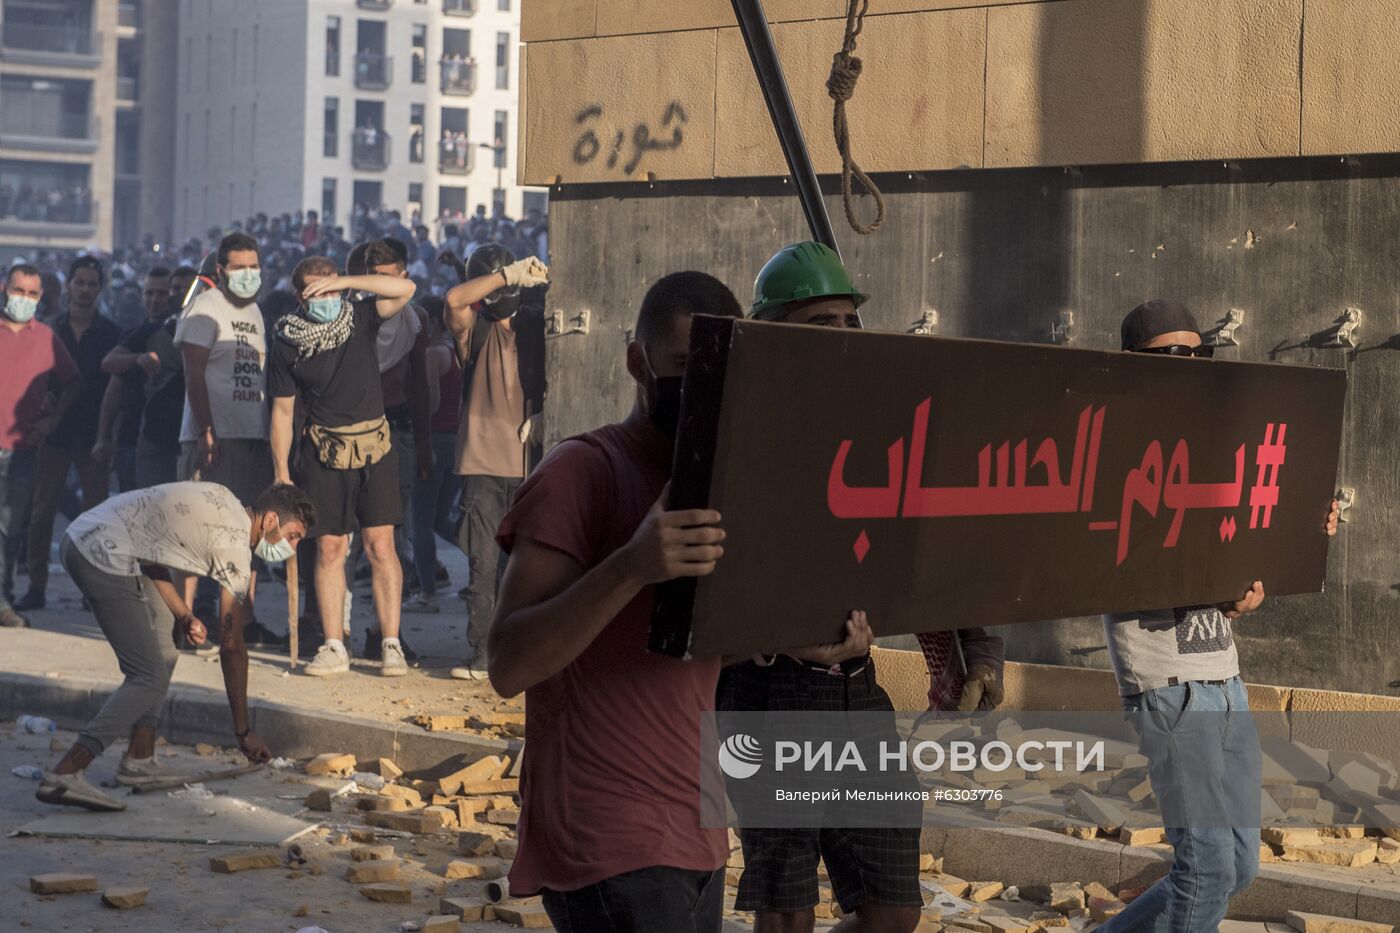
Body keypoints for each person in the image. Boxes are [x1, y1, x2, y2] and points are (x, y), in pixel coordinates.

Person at [1098, 299, 1342, 933]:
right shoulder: (1113, 442)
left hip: (1223, 681)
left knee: (1237, 867)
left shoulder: (1207, 441)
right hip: (1168, 687)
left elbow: (1242, 535)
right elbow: (1123, 556)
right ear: (1132, 362)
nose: (1188, 367)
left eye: (1196, 354)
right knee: (1204, 868)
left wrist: (1303, 530)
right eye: (1170, 355)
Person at [720, 242, 923, 933]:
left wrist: (968, 644)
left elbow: (925, 536)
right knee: (786, 911)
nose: (840, 338)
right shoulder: (739, 430)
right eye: (819, 324)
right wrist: (781, 636)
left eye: (848, 322)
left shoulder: (876, 425)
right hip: (769, 693)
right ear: (775, 332)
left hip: (856, 691)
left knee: (893, 907)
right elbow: (713, 572)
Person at [36, 482, 314, 812]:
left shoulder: (225, 499)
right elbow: (231, 646)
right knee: (148, 676)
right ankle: (67, 772)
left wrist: (182, 613)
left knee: (167, 644)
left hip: (89, 536)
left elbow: (152, 548)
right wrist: (243, 731)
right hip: (99, 553)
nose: (291, 548)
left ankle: (139, 758)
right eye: (293, 536)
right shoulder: (235, 548)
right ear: (270, 521)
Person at [268, 256, 417, 678]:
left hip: (375, 446)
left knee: (381, 547)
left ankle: (391, 642)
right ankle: (333, 644)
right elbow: (281, 412)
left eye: (332, 290)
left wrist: (347, 281)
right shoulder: (286, 340)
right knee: (330, 548)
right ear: (300, 296)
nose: (328, 299)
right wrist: (281, 471)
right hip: (323, 451)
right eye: (318, 292)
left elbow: (405, 291)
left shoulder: (360, 317)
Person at [440, 245, 548, 678]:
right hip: (482, 463)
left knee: (522, 569)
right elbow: (453, 300)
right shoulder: (474, 327)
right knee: (482, 566)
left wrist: (542, 279)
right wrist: (507, 274)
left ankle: (518, 651)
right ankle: (482, 653)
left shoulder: (535, 324)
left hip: (528, 462)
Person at [175, 233, 273, 636]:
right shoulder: (204, 308)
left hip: (251, 436)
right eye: (239, 267)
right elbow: (193, 374)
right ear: (221, 270)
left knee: (244, 538)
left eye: (253, 266)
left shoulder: (255, 313)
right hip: (212, 437)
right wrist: (205, 430)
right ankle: (184, 621)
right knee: (194, 535)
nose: (248, 274)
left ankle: (236, 624)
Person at [17, 256, 122, 612]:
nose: (86, 289)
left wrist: (109, 435)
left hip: (95, 432)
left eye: (92, 284)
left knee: (96, 517)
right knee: (42, 512)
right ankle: (35, 585)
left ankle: (92, 589)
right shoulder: (49, 328)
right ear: (69, 285)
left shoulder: (111, 332)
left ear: (99, 288)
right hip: (54, 432)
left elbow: (115, 386)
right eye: (81, 282)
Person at [359, 237, 431, 659]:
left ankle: (384, 630)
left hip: (396, 430)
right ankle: (329, 630)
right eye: (375, 277)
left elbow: (418, 383)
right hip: (349, 429)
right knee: (342, 538)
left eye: (388, 276)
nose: (381, 285)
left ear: (403, 275)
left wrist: (424, 444)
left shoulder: (414, 317)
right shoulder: (350, 315)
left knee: (392, 535)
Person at [0, 265, 79, 628]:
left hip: (23, 450)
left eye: (32, 294)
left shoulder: (47, 338)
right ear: (5, 289)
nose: (24, 299)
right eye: (19, 291)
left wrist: (52, 421)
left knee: (11, 529)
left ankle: (3, 599)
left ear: (40, 297)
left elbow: (73, 381)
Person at [94, 266, 174, 492]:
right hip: (132, 439)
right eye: (149, 293)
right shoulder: (139, 334)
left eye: (162, 293)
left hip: (168, 441)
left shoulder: (181, 333)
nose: (154, 300)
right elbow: (113, 377)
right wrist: (104, 436)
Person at [405, 296, 460, 613]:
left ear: (435, 323)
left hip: (433, 440)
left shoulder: (431, 355)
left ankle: (427, 594)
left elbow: (431, 403)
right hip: (453, 441)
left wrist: (417, 436)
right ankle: (491, 560)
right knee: (441, 519)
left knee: (421, 522)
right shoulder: (452, 353)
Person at [132, 266, 197, 488]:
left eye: (185, 289)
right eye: (175, 289)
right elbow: (112, 364)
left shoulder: (211, 329)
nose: (179, 294)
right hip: (157, 435)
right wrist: (139, 358)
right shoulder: (156, 331)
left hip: (195, 435)